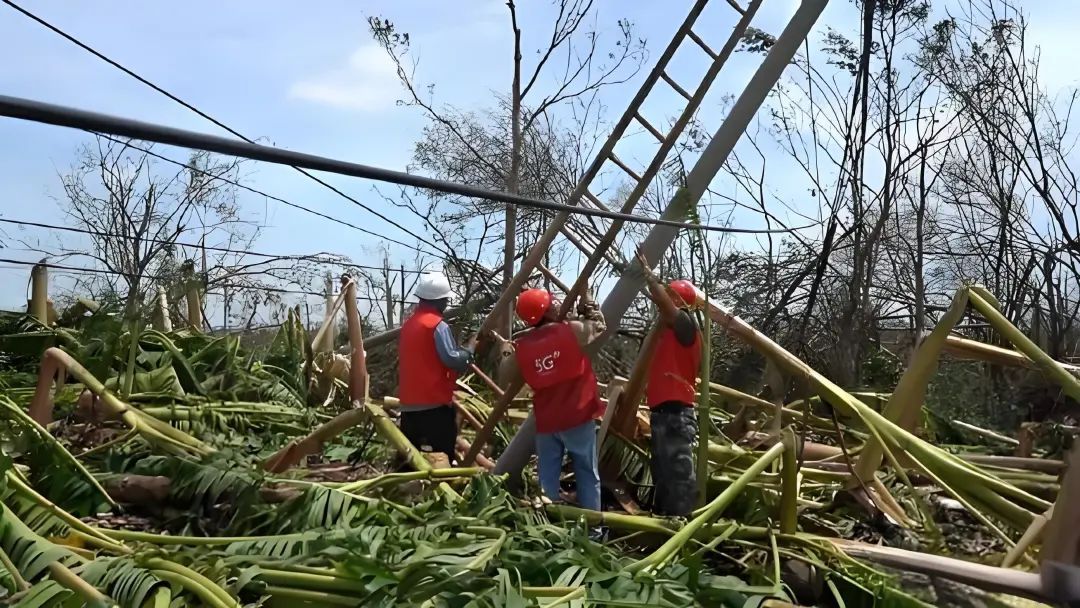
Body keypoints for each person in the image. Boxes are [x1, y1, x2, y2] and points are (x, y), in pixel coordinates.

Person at [504, 288, 606, 510]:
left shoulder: (522, 349)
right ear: (547, 310)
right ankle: (595, 528)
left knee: (547, 477)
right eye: (553, 303)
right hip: (577, 415)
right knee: (587, 473)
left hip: (547, 422)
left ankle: (547, 524)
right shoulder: (572, 331)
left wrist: (505, 351)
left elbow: (505, 374)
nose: (558, 305)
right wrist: (589, 304)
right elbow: (598, 327)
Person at [639, 260, 702, 517]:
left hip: (677, 413)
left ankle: (682, 523)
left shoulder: (686, 326)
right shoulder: (667, 334)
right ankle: (666, 520)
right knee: (663, 474)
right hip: (663, 413)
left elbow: (666, 305)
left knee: (678, 477)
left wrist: (650, 278)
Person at [397, 271, 475, 465]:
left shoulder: (409, 325)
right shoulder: (437, 325)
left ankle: (406, 492)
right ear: (440, 301)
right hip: (434, 405)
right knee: (442, 456)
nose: (446, 304)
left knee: (410, 460)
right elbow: (452, 359)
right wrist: (469, 351)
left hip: (408, 405)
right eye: (446, 300)